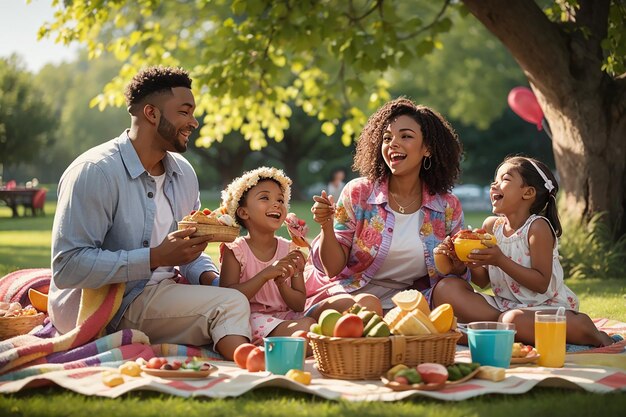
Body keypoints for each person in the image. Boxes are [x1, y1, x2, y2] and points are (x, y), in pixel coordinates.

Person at [48, 66, 251, 360]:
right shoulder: (95, 172)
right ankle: (251, 363)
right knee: (231, 305)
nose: (194, 122)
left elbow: (186, 251)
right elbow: (68, 267)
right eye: (184, 112)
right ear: (151, 114)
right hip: (105, 304)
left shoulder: (184, 174)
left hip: (162, 293)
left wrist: (210, 278)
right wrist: (155, 258)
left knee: (237, 296)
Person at [304, 97, 466, 319]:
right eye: (387, 138)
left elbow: (457, 275)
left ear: (427, 148)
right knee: (370, 306)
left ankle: (506, 329)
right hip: (349, 294)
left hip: (408, 302)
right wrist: (326, 226)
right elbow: (332, 269)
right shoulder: (358, 193)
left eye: (406, 136)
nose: (393, 144)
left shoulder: (447, 206)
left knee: (454, 296)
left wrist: (458, 263)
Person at [432, 156, 614, 346]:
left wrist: (500, 260)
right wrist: (462, 266)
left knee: (513, 320)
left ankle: (583, 328)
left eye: (505, 179)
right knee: (445, 289)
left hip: (545, 307)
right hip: (504, 306)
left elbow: (541, 283)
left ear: (527, 193)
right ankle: (504, 330)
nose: (494, 185)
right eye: (495, 180)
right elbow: (484, 280)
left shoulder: (537, 228)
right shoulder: (491, 226)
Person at [219, 167, 316, 344]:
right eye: (265, 198)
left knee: (314, 324)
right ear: (243, 212)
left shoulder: (289, 250)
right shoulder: (235, 250)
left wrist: (282, 284)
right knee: (308, 329)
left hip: (286, 317)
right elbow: (227, 298)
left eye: (280, 199)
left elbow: (299, 304)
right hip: (252, 319)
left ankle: (289, 345)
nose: (277, 204)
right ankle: (285, 347)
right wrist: (265, 275)